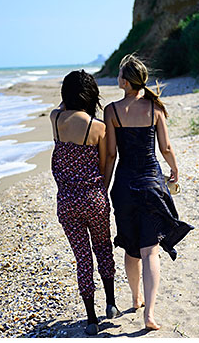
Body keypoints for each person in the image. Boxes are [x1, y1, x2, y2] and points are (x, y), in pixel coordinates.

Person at [104, 54, 194, 331]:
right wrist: (175, 169)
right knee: (150, 251)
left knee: (131, 248)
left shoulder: (112, 110)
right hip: (152, 184)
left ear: (124, 80)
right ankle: (149, 314)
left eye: (120, 73)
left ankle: (135, 299)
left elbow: (110, 154)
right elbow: (165, 148)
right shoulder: (155, 108)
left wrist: (103, 187)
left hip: (124, 185)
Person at [50, 70, 120, 336]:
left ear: (65, 95)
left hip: (66, 201)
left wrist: (66, 99)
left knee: (82, 258)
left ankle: (91, 319)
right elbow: (105, 162)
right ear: (91, 95)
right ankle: (111, 304)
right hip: (94, 198)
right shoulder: (97, 126)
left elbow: (60, 106)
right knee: (103, 247)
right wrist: (101, 189)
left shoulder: (56, 119)